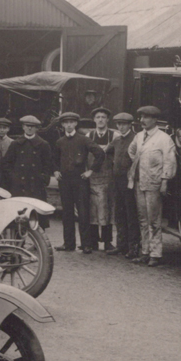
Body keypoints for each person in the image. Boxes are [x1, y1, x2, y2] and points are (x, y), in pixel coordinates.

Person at [128, 105, 177, 267]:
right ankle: (145, 252)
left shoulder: (164, 138)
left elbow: (169, 161)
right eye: (141, 117)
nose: (142, 120)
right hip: (139, 182)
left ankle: (155, 254)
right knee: (143, 219)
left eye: (146, 117)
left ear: (155, 119)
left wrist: (164, 180)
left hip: (154, 183)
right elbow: (132, 151)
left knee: (154, 220)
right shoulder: (139, 136)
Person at [52, 112, 102, 254]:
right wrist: (55, 171)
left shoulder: (83, 140)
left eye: (71, 122)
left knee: (83, 212)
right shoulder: (59, 142)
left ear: (75, 124)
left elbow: (100, 153)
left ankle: (86, 244)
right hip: (65, 181)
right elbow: (54, 159)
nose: (68, 125)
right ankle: (69, 244)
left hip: (80, 181)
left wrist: (91, 171)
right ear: (62, 125)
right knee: (67, 213)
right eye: (65, 122)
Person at [108, 112, 141, 259]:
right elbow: (107, 152)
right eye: (119, 124)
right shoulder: (117, 140)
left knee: (131, 213)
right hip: (117, 181)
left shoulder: (135, 139)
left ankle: (133, 247)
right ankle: (121, 245)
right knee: (119, 213)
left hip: (129, 182)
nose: (121, 127)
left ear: (130, 125)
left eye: (124, 124)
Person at [86, 107, 116, 251]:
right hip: (93, 178)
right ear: (94, 120)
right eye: (98, 117)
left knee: (107, 210)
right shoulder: (88, 136)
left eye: (103, 117)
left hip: (108, 179)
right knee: (93, 210)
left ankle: (107, 241)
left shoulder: (114, 136)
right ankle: (93, 242)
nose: (100, 120)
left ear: (108, 120)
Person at [3, 115, 53, 200]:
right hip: (18, 184)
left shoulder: (43, 144)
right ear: (23, 127)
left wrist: (43, 178)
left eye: (32, 126)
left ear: (36, 128)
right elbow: (7, 163)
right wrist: (13, 177)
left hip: (36, 184)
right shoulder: (15, 144)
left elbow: (47, 165)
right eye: (27, 126)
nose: (30, 128)